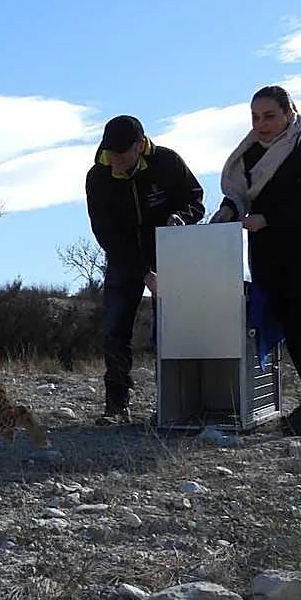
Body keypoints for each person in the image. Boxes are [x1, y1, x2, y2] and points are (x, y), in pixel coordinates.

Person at [211, 85, 301, 436]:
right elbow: (241, 195)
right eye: (255, 117)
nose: (261, 124)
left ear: (289, 113)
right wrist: (228, 209)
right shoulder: (247, 154)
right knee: (287, 321)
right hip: (273, 249)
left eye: (269, 116)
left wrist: (268, 219)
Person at [86, 115, 206, 424]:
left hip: (171, 255)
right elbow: (106, 234)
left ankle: (174, 404)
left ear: (140, 146)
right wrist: (145, 273)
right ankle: (116, 406)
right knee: (115, 331)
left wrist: (182, 217)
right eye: (110, 153)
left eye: (122, 154)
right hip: (123, 258)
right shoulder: (98, 176)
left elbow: (196, 199)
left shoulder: (167, 162)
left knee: (174, 330)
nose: (115, 160)